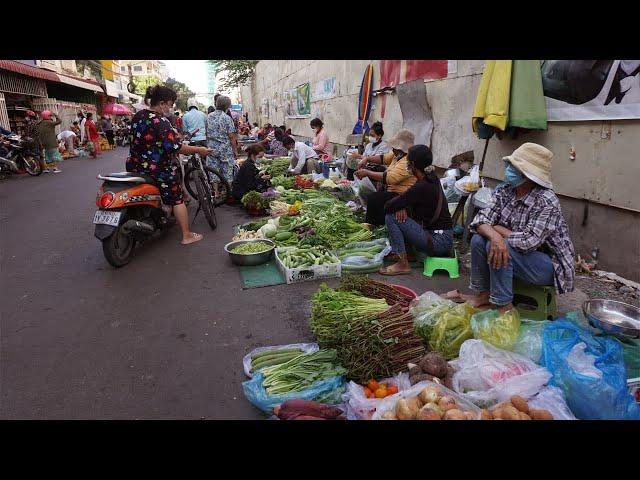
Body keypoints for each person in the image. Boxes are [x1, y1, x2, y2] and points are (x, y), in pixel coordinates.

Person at [443, 143, 576, 313]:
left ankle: (503, 305)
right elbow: (479, 220)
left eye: (514, 166)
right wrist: (495, 235)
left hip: (548, 265)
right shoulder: (505, 190)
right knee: (479, 239)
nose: (508, 169)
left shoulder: (546, 201)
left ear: (527, 175)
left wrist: (497, 231)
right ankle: (484, 295)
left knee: (496, 244)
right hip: (518, 253)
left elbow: (528, 242)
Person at [127, 85, 210, 245]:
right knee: (177, 199)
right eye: (170, 104)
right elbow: (177, 147)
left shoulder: (138, 116)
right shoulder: (160, 121)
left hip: (136, 166)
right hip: (158, 169)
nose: (171, 108)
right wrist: (199, 149)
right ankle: (186, 235)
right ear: (162, 103)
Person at [380, 145, 454, 275]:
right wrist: (402, 206)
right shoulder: (432, 178)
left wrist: (400, 206)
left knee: (391, 216)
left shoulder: (422, 186)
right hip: (444, 238)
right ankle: (408, 254)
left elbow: (388, 206)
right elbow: (412, 203)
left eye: (408, 162)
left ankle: (402, 263)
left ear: (413, 164)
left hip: (438, 242)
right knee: (401, 213)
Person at [355, 129, 417, 226]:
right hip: (392, 192)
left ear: (401, 149)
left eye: (395, 147)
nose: (393, 149)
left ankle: (373, 226)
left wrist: (367, 173)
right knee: (376, 197)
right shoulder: (397, 155)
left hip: (401, 195)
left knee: (374, 199)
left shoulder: (407, 161)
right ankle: (374, 224)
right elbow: (383, 158)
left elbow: (390, 178)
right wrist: (366, 159)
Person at [206, 94, 239, 185]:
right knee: (227, 170)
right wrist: (235, 151)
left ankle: (216, 192)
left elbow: (205, 132)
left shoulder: (208, 117)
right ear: (227, 106)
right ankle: (227, 191)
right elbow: (231, 137)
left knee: (213, 170)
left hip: (211, 148)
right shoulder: (227, 118)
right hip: (225, 148)